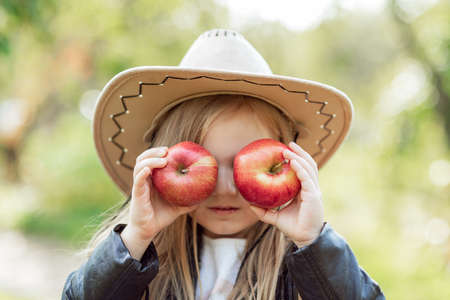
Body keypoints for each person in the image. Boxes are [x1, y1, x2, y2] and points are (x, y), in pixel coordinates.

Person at [62, 28, 385, 300]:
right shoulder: (144, 255)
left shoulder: (306, 264)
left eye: (245, 164)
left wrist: (314, 243)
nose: (227, 188)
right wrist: (135, 238)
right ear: (167, 165)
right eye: (208, 165)